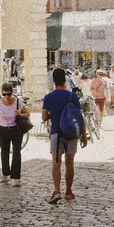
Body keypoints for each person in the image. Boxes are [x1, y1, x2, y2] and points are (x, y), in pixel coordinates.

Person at [42, 68, 89, 204]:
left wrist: (53, 114)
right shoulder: (72, 96)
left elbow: (44, 116)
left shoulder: (49, 97)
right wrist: (84, 135)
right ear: (64, 80)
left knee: (56, 162)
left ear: (53, 81)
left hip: (56, 132)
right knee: (70, 162)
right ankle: (68, 191)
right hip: (71, 133)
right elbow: (80, 117)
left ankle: (57, 191)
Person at [0, 82, 29, 186]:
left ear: (12, 93)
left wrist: (21, 113)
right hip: (3, 130)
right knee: (4, 152)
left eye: (9, 94)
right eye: (4, 94)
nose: (7, 97)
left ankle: (16, 177)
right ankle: (5, 174)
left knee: (16, 153)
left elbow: (28, 113)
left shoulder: (18, 102)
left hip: (16, 129)